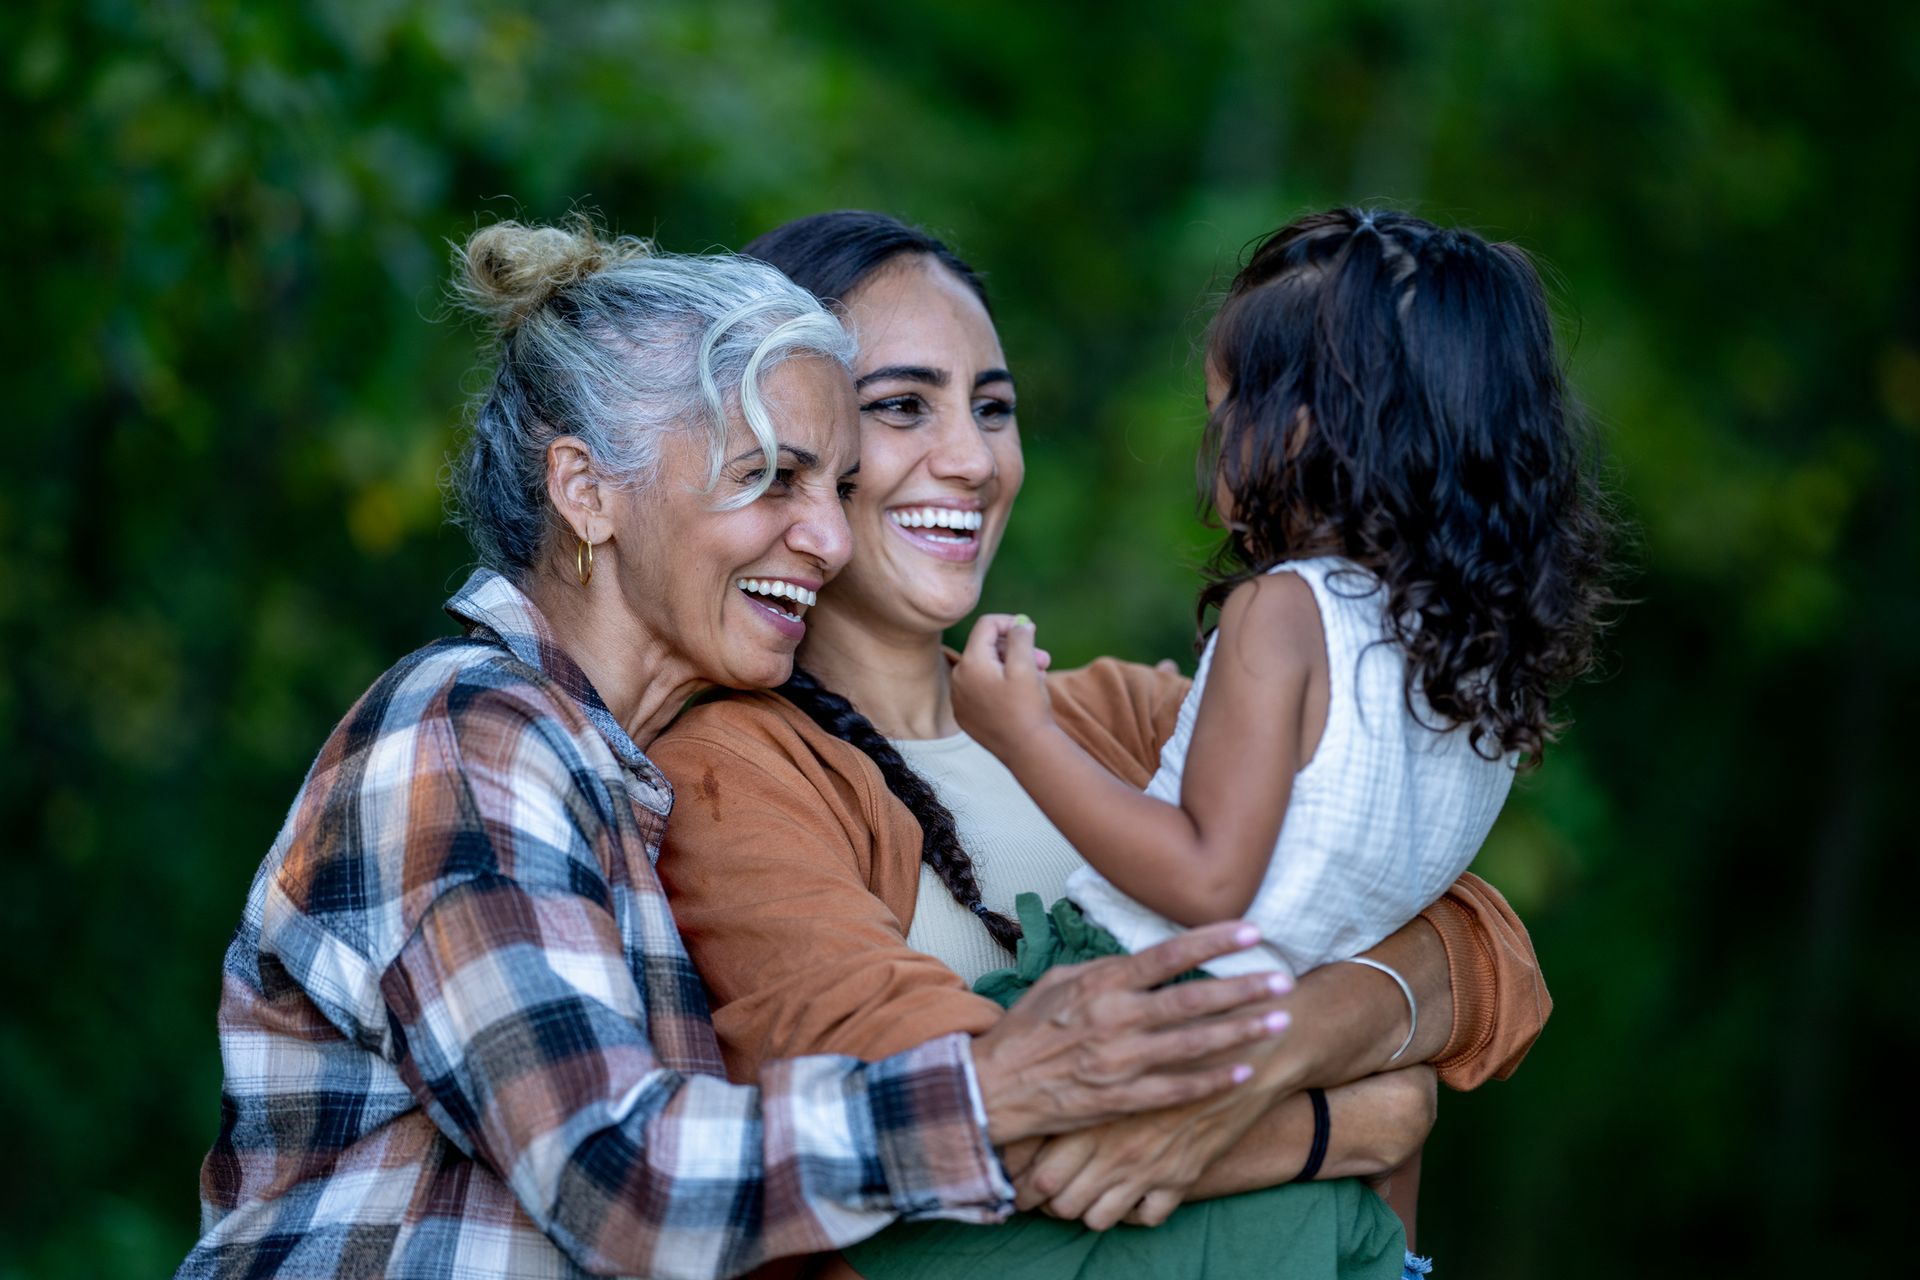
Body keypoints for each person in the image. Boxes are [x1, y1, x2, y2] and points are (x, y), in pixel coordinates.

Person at [176, 218, 1300, 1280]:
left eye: (832, 483)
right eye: (769, 477)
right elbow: (620, 1179)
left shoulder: (607, 766)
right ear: (586, 493)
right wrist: (998, 1081)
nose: (822, 536)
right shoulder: (467, 733)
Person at [651, 211, 1555, 1279]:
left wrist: (1281, 1054)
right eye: (901, 406)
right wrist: (1352, 1122)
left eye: (994, 408)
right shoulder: (734, 769)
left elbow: (1473, 940)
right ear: (783, 442)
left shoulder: (1114, 717)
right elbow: (936, 1104)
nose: (972, 458)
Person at [948, 206, 1614, 984]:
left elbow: (1206, 882)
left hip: (1133, 988)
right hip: (1272, 1020)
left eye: (1221, 408)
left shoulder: (1286, 612)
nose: (1216, 439)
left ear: (1303, 427)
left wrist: (1023, 733)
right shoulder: (1476, 653)